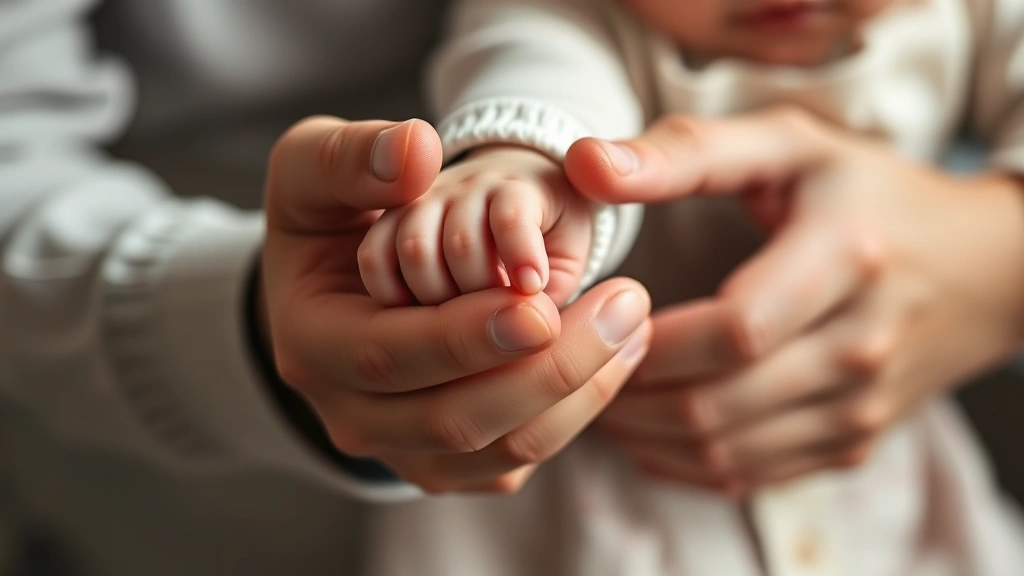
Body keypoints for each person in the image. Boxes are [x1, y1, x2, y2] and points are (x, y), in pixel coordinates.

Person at [1, 3, 1022, 576]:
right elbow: (548, 113)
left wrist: (999, 256)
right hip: (558, 518)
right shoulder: (574, 17)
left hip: (892, 495)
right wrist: (510, 180)